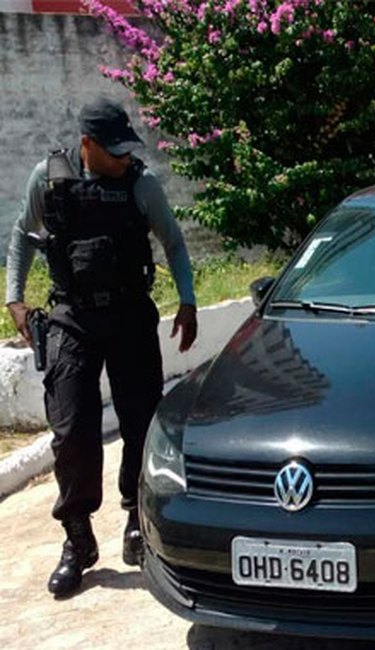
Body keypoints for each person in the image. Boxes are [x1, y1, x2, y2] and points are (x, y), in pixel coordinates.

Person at [4, 97, 198, 598]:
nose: (125, 159)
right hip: (72, 317)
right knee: (71, 430)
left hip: (131, 315)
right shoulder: (49, 180)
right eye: (114, 151)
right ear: (87, 145)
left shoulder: (142, 184)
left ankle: (136, 521)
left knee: (140, 423)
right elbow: (23, 237)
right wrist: (15, 299)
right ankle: (78, 538)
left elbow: (173, 242)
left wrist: (189, 301)